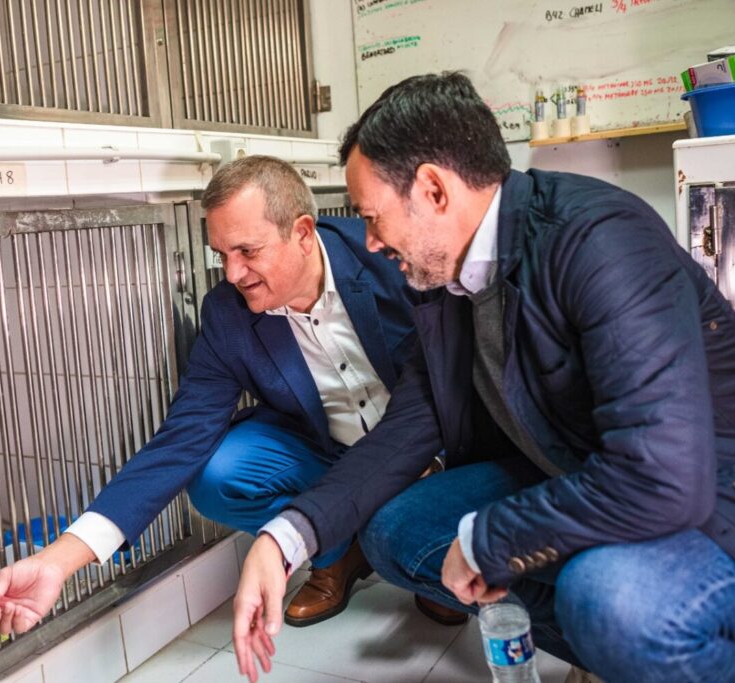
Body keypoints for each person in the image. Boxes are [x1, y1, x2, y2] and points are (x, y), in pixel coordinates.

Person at [232, 73, 735, 683]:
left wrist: (492, 539)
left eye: (372, 216)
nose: (367, 240)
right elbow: (407, 429)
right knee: (399, 531)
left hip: (704, 495)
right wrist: (284, 539)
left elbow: (663, 477)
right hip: (582, 471)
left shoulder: (598, 241)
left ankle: (641, 636)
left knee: (609, 599)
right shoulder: (448, 283)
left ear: (433, 190)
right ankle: (610, 656)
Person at [0, 155, 457, 636]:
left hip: (429, 450)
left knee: (420, 557)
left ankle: (412, 532)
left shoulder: (388, 259)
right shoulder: (228, 313)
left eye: (247, 250)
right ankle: (336, 552)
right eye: (221, 254)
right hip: (329, 448)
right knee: (217, 474)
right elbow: (183, 436)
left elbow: (460, 376)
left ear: (303, 233)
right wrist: (60, 559)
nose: (232, 273)